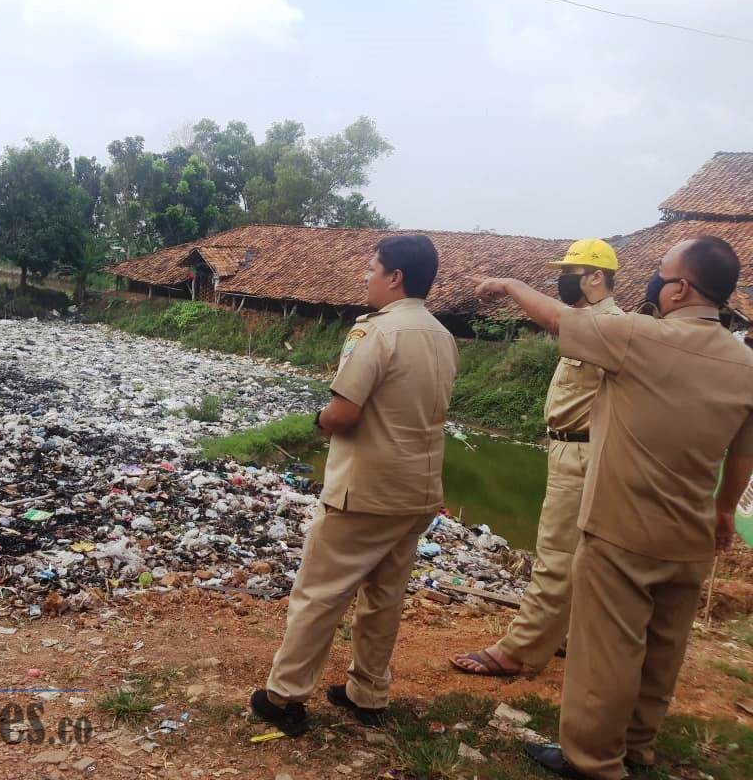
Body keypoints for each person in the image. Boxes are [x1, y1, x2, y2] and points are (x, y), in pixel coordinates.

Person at [471, 236, 753, 780]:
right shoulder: (745, 363)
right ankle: (638, 750)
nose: (655, 281)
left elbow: (556, 318)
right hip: (692, 534)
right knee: (661, 653)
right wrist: (722, 514)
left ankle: (593, 761)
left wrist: (507, 284)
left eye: (663, 273)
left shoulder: (638, 337)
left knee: (608, 650)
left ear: (681, 287)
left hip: (624, 527)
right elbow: (743, 455)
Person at [250, 235, 458, 736]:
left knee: (320, 592)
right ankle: (368, 694)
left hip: (365, 489)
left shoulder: (375, 334)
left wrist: (319, 419)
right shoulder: (441, 336)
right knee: (385, 595)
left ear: (395, 278)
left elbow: (344, 413)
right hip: (418, 489)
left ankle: (285, 697)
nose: (365, 277)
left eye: (371, 268)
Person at [452, 239, 623, 677]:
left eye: (569, 273)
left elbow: (554, 316)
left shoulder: (610, 323)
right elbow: (553, 318)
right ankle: (562, 634)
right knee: (579, 557)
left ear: (596, 277)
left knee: (556, 556)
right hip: (573, 448)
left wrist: (509, 284)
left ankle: (520, 651)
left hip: (582, 452)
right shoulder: (589, 320)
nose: (560, 280)